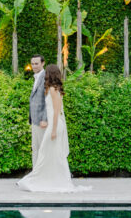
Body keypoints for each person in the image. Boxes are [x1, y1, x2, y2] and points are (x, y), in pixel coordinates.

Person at [17, 64, 90, 193]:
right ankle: (47, 178)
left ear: (49, 74)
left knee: (50, 153)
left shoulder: (53, 89)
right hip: (53, 124)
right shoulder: (52, 88)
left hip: (55, 125)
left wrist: (54, 129)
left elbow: (56, 111)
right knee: (49, 153)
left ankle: (53, 179)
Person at [28, 55, 47, 168]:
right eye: (33, 64)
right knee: (35, 148)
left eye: (36, 63)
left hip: (41, 121)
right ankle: (35, 175)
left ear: (43, 63)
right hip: (35, 120)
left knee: (41, 149)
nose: (34, 66)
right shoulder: (37, 77)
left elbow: (47, 100)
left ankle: (40, 176)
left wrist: (44, 119)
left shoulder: (45, 77)